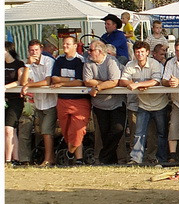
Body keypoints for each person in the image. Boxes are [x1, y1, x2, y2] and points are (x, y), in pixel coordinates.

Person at [120, 41, 168, 166]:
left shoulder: (155, 64)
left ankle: (161, 158)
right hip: (143, 104)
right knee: (139, 133)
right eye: (137, 52)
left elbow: (156, 81)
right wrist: (130, 83)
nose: (140, 54)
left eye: (142, 52)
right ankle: (136, 158)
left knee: (161, 133)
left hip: (160, 103)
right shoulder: (130, 64)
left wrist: (138, 84)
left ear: (147, 53)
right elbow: (123, 80)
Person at [50, 36, 91, 165]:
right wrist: (70, 81)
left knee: (78, 129)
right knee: (67, 131)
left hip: (79, 101)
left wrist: (62, 83)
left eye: (68, 44)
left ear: (75, 46)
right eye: (64, 44)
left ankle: (70, 153)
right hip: (62, 100)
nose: (66, 46)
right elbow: (54, 78)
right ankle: (77, 159)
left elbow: (80, 82)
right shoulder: (59, 60)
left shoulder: (81, 61)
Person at [83, 40, 126, 165]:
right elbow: (87, 81)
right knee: (104, 132)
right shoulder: (88, 63)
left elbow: (114, 81)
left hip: (116, 103)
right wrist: (105, 83)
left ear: (100, 51)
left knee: (118, 129)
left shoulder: (111, 62)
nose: (88, 52)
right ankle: (109, 160)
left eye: (91, 50)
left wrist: (98, 87)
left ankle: (104, 156)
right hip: (99, 105)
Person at [19, 40, 57, 166]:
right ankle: (49, 158)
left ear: (41, 49)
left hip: (51, 102)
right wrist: (27, 66)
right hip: (39, 102)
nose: (34, 53)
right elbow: (23, 82)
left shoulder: (48, 61)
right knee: (43, 132)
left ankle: (48, 160)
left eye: (36, 50)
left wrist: (30, 85)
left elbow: (47, 81)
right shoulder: (29, 63)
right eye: (31, 50)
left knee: (46, 131)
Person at [5, 42, 26, 164]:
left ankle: (8, 160)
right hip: (3, 100)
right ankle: (14, 158)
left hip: (15, 100)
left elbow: (20, 81)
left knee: (9, 128)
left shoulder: (19, 64)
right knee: (8, 131)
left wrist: (5, 87)